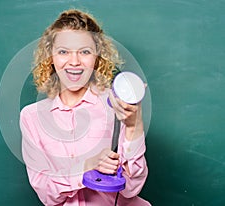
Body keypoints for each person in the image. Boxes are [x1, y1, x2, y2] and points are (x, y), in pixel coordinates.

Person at [20, 9, 150, 206]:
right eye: (63, 51)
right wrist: (86, 167)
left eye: (85, 52)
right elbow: (47, 195)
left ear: (97, 57)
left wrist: (134, 126)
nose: (74, 61)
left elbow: (131, 188)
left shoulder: (116, 106)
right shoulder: (31, 117)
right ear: (51, 57)